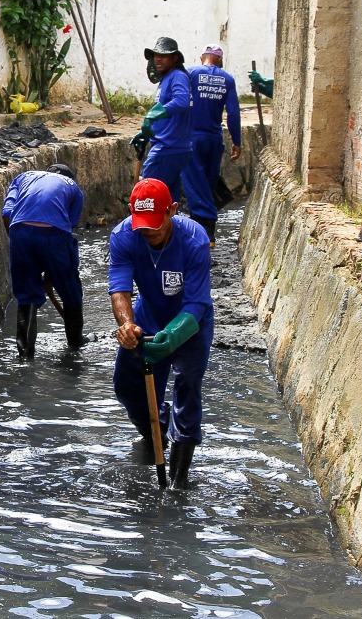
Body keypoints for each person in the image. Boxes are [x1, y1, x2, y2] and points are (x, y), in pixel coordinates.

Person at [109, 178, 214, 489]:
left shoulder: (194, 240)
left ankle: (179, 480)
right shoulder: (123, 236)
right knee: (127, 387)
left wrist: (172, 336)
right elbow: (119, 288)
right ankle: (154, 429)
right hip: (147, 317)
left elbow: (196, 302)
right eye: (143, 224)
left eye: (156, 222)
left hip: (190, 324)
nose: (149, 231)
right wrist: (126, 325)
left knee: (187, 387)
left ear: (172, 210)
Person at [1, 164, 85, 358]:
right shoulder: (73, 187)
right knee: (70, 288)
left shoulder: (23, 177)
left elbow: (6, 214)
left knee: (26, 294)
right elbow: (68, 227)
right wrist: (52, 271)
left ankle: (25, 354)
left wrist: (20, 245)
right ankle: (76, 342)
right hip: (55, 233)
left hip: (19, 230)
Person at [182, 44, 242, 245]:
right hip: (214, 140)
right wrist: (237, 141)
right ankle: (206, 232)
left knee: (194, 185)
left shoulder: (190, 73)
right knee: (207, 184)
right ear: (220, 60)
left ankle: (204, 234)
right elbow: (233, 113)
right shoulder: (227, 79)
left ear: (202, 58)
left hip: (191, 139)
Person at [130, 37, 194, 206]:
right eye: (156, 55)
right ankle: (169, 231)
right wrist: (146, 133)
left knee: (147, 200)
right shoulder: (167, 79)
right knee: (167, 204)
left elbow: (181, 101)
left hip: (167, 148)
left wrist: (152, 115)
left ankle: (147, 232)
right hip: (172, 147)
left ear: (175, 58)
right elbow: (168, 115)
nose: (158, 59)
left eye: (164, 56)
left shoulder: (177, 76)